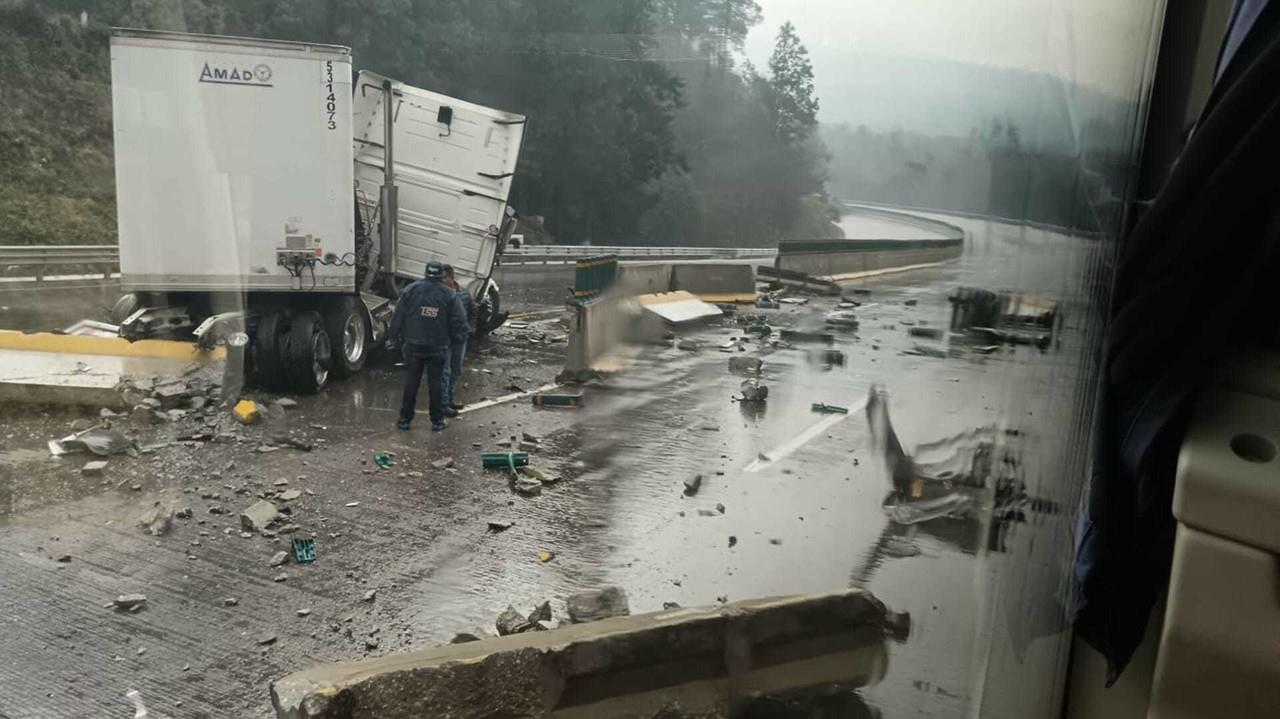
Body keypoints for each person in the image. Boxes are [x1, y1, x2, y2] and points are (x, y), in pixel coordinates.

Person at [388, 260, 468, 432]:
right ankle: (437, 421)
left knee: (411, 383)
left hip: (413, 346)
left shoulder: (410, 290)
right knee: (436, 385)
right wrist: (457, 341)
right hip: (437, 347)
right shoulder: (449, 294)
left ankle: (405, 420)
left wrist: (394, 338)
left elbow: (397, 317)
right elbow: (459, 322)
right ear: (441, 275)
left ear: (425, 273)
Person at [441, 264, 477, 413]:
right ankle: (443, 404)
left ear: (451, 278)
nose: (441, 281)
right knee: (445, 371)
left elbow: (474, 310)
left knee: (456, 369)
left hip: (460, 338)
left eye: (444, 277)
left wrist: (470, 328)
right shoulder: (438, 295)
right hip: (443, 339)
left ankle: (449, 399)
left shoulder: (463, 293)